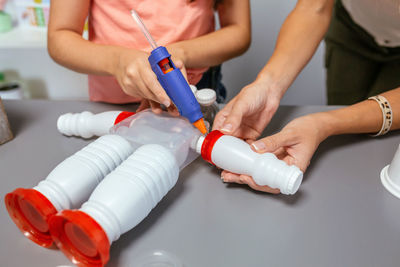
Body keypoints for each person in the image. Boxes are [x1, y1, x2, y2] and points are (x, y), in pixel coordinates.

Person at [47, 0, 250, 113]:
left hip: (196, 85)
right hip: (115, 100)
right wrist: (118, 62)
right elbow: (60, 37)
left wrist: (179, 55)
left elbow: (239, 30)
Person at [216, 88, 400, 194]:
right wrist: (269, 87)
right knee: (346, 97)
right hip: (355, 30)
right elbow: (312, 18)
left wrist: (321, 125)